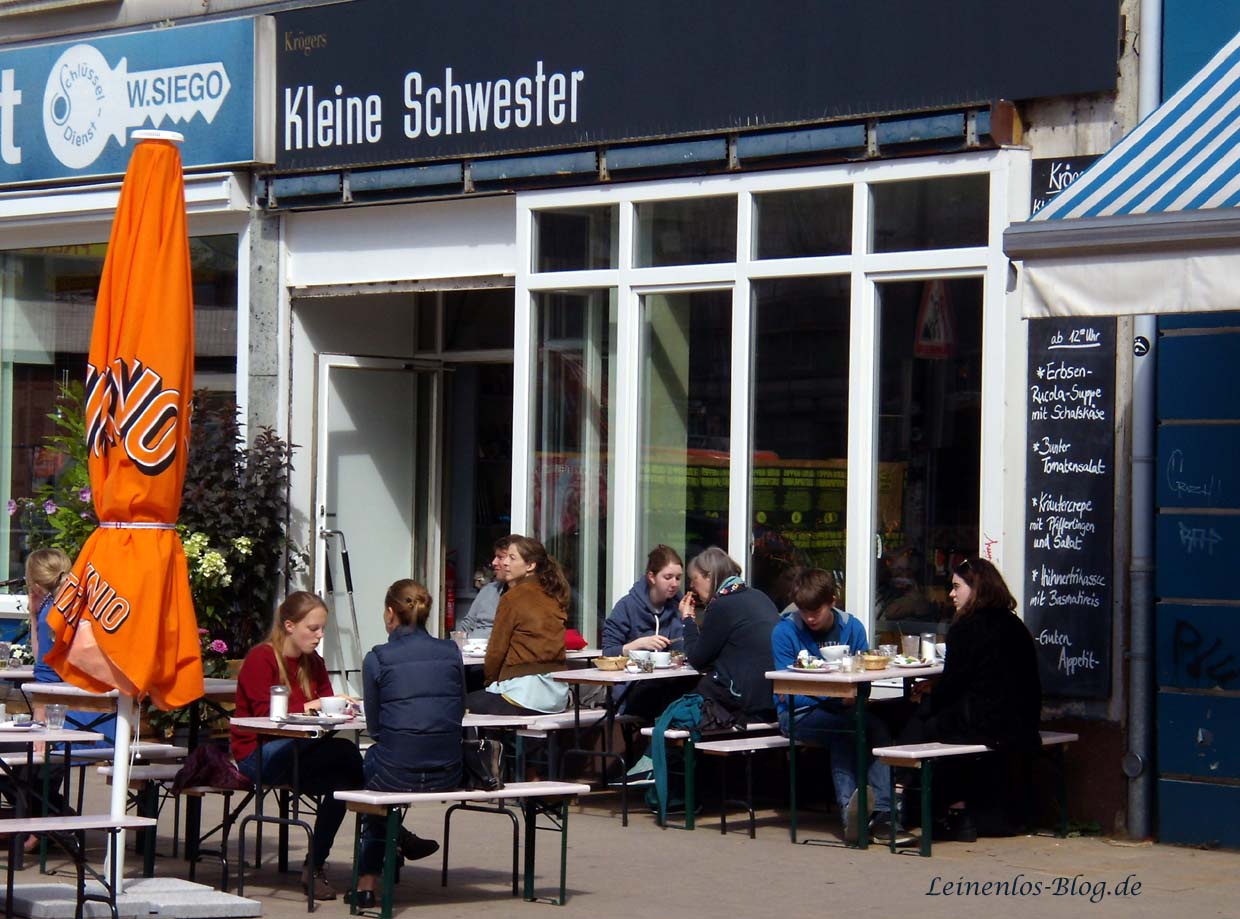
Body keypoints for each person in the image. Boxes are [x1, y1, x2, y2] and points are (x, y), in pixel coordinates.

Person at [231, 592, 364, 901]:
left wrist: (343, 709)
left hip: (301, 750)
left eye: (322, 629)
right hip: (258, 753)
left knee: (345, 781)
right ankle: (391, 834)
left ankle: (314, 865)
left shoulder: (313, 662)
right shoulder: (261, 658)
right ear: (289, 625)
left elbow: (326, 709)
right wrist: (312, 706)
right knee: (346, 755)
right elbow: (264, 717)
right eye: (313, 628)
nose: (319, 636)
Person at [896, 557, 1042, 840]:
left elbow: (953, 685)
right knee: (931, 715)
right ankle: (924, 798)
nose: (951, 594)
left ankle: (895, 793)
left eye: (956, 587)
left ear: (976, 589)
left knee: (925, 718)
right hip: (1022, 722)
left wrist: (930, 694)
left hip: (988, 722)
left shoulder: (967, 628)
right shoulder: (1014, 624)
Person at [770, 568, 912, 845]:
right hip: (797, 715)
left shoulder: (852, 627)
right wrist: (836, 697)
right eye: (804, 611)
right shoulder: (784, 631)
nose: (810, 618)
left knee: (877, 728)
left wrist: (852, 695)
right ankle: (852, 816)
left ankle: (884, 815)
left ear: (832, 602)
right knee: (845, 732)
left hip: (845, 711)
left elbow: (866, 681)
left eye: (816, 611)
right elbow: (787, 693)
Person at [348, 579, 464, 909]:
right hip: (448, 771)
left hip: (396, 772)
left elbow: (375, 729)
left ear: (390, 613)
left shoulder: (378, 658)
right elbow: (457, 711)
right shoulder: (451, 652)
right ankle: (399, 842)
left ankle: (368, 880)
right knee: (386, 764)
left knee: (373, 768)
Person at [647, 547, 780, 817]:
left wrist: (687, 620)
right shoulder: (759, 597)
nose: (692, 587)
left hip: (740, 704)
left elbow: (697, 659)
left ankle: (668, 790)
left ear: (709, 576)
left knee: (673, 714)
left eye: (694, 579)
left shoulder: (723, 605)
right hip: (771, 699)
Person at [466, 536, 569, 716]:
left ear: (530, 565)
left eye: (512, 558)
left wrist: (490, 681)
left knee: (455, 704)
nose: (505, 562)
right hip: (557, 695)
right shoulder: (554, 595)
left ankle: (486, 738)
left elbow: (496, 651)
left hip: (523, 694)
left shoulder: (512, 598)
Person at [602, 544, 685, 657]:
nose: (674, 584)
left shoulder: (679, 606)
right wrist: (639, 644)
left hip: (673, 668)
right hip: (633, 668)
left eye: (678, 578)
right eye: (668, 577)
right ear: (651, 577)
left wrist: (688, 620)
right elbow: (608, 652)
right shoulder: (627, 606)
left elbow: (687, 652)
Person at [455, 535, 517, 639]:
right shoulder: (488, 590)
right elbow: (466, 625)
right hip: (471, 646)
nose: (494, 562)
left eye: (500, 557)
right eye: (495, 557)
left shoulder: (529, 597)